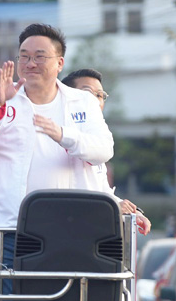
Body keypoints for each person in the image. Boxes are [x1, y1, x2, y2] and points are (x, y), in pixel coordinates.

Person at [0, 24, 133, 301]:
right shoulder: (2, 99)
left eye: (40, 56)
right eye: (24, 56)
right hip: (6, 231)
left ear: (59, 63)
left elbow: (104, 150)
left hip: (66, 232)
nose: (31, 63)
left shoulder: (81, 103)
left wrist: (63, 134)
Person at [62, 68, 151, 234]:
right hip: (61, 231)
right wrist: (111, 206)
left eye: (100, 95)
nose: (96, 100)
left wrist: (131, 211)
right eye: (87, 92)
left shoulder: (99, 141)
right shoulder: (56, 132)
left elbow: (100, 190)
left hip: (90, 232)